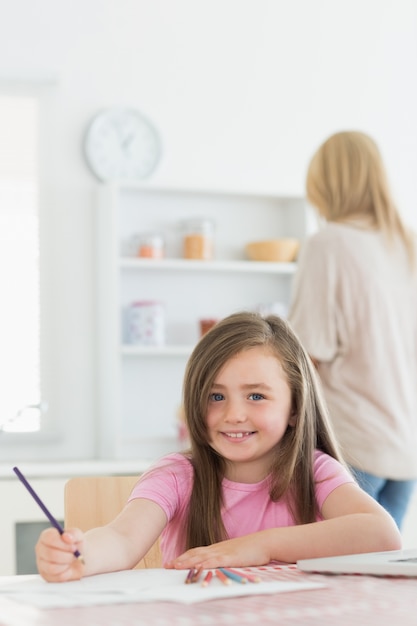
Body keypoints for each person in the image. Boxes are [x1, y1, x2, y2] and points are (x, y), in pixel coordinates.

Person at [35, 311, 401, 582]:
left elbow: (382, 535)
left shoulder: (315, 472)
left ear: (295, 408)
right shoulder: (176, 475)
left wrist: (261, 546)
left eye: (256, 395)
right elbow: (122, 537)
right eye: (215, 396)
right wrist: (80, 556)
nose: (234, 414)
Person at [288, 130, 417, 530]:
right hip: (405, 449)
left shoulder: (329, 244)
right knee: (372, 582)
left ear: (325, 184)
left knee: (323, 580)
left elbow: (305, 354)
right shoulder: (405, 245)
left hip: (353, 446)